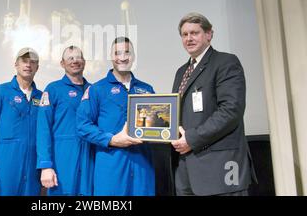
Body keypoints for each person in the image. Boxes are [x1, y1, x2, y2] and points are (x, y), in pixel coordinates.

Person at [171, 12, 256, 196]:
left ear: (209, 34)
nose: (189, 38)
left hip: (220, 166)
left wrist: (191, 139)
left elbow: (230, 111)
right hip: (187, 169)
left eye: (194, 33)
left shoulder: (226, 62)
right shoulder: (181, 72)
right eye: (184, 35)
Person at [77, 37, 156, 196]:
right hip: (111, 166)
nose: (122, 57)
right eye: (117, 53)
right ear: (111, 57)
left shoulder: (146, 89)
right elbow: (82, 126)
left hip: (143, 166)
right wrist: (111, 140)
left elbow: (156, 125)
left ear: (133, 56)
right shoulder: (97, 89)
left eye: (127, 52)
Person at [0, 47, 42, 195]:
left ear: (37, 67)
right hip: (5, 163)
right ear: (16, 64)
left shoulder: (42, 97)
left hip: (32, 166)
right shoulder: (0, 92)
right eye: (24, 61)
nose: (28, 65)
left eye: (33, 62)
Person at [36, 46, 93, 196]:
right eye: (70, 58)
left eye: (78, 57)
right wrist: (46, 166)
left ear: (84, 62)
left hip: (90, 158)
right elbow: (43, 129)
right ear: (62, 63)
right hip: (62, 159)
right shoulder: (53, 89)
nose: (75, 61)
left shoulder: (94, 90)